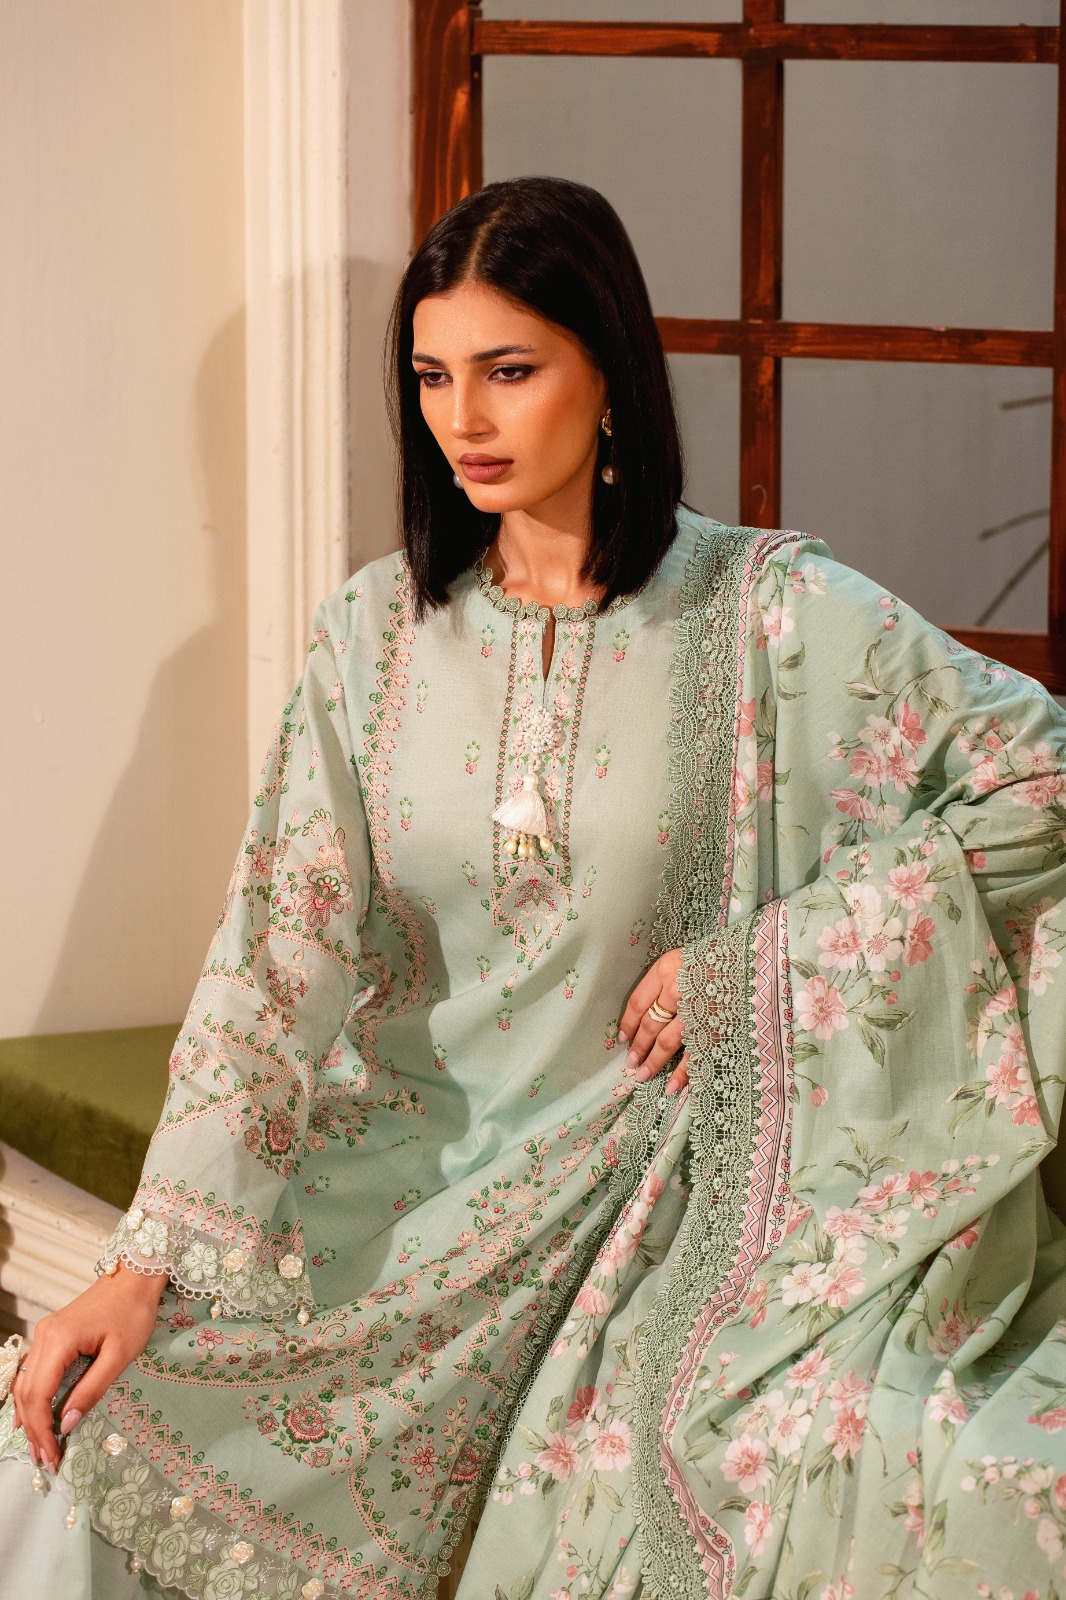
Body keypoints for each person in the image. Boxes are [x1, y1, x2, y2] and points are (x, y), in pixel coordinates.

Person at [2, 174, 1066, 1600]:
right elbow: (274, 958)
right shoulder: (374, 634)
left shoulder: (768, 612)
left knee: (885, 1466)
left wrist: (771, 963)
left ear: (609, 372)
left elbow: (1042, 773)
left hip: (655, 1197)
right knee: (103, 1432)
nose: (464, 420)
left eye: (509, 371)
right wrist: (148, 1263)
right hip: (393, 1184)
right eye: (432, 376)